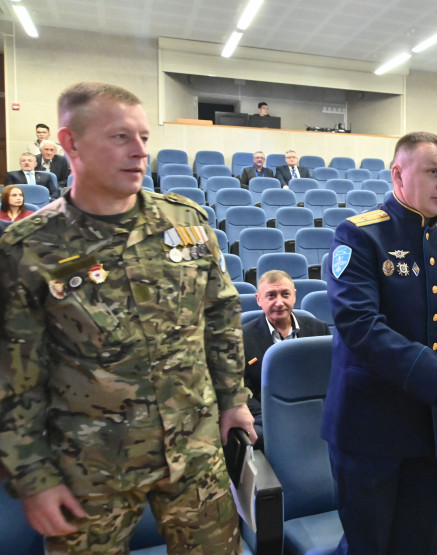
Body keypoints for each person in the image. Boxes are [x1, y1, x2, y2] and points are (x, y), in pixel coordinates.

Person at [0, 81, 255, 552]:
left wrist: (233, 398)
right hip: (91, 466)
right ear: (71, 142)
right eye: (120, 137)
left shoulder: (186, 222)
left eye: (143, 137)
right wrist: (32, 475)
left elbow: (220, 314)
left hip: (194, 448)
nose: (140, 151)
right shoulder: (28, 247)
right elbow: (14, 376)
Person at [322, 131, 437, 554]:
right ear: (398, 174)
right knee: (370, 545)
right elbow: (360, 325)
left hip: (432, 424)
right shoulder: (360, 235)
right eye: (433, 172)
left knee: (424, 542)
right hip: (371, 426)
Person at [242, 270, 330, 450]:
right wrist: (274, 418)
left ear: (294, 296)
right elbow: (244, 391)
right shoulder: (243, 338)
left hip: (316, 412)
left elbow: (330, 378)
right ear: (259, 299)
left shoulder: (318, 329)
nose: (279, 302)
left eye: (285, 294)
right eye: (271, 295)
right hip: (269, 419)